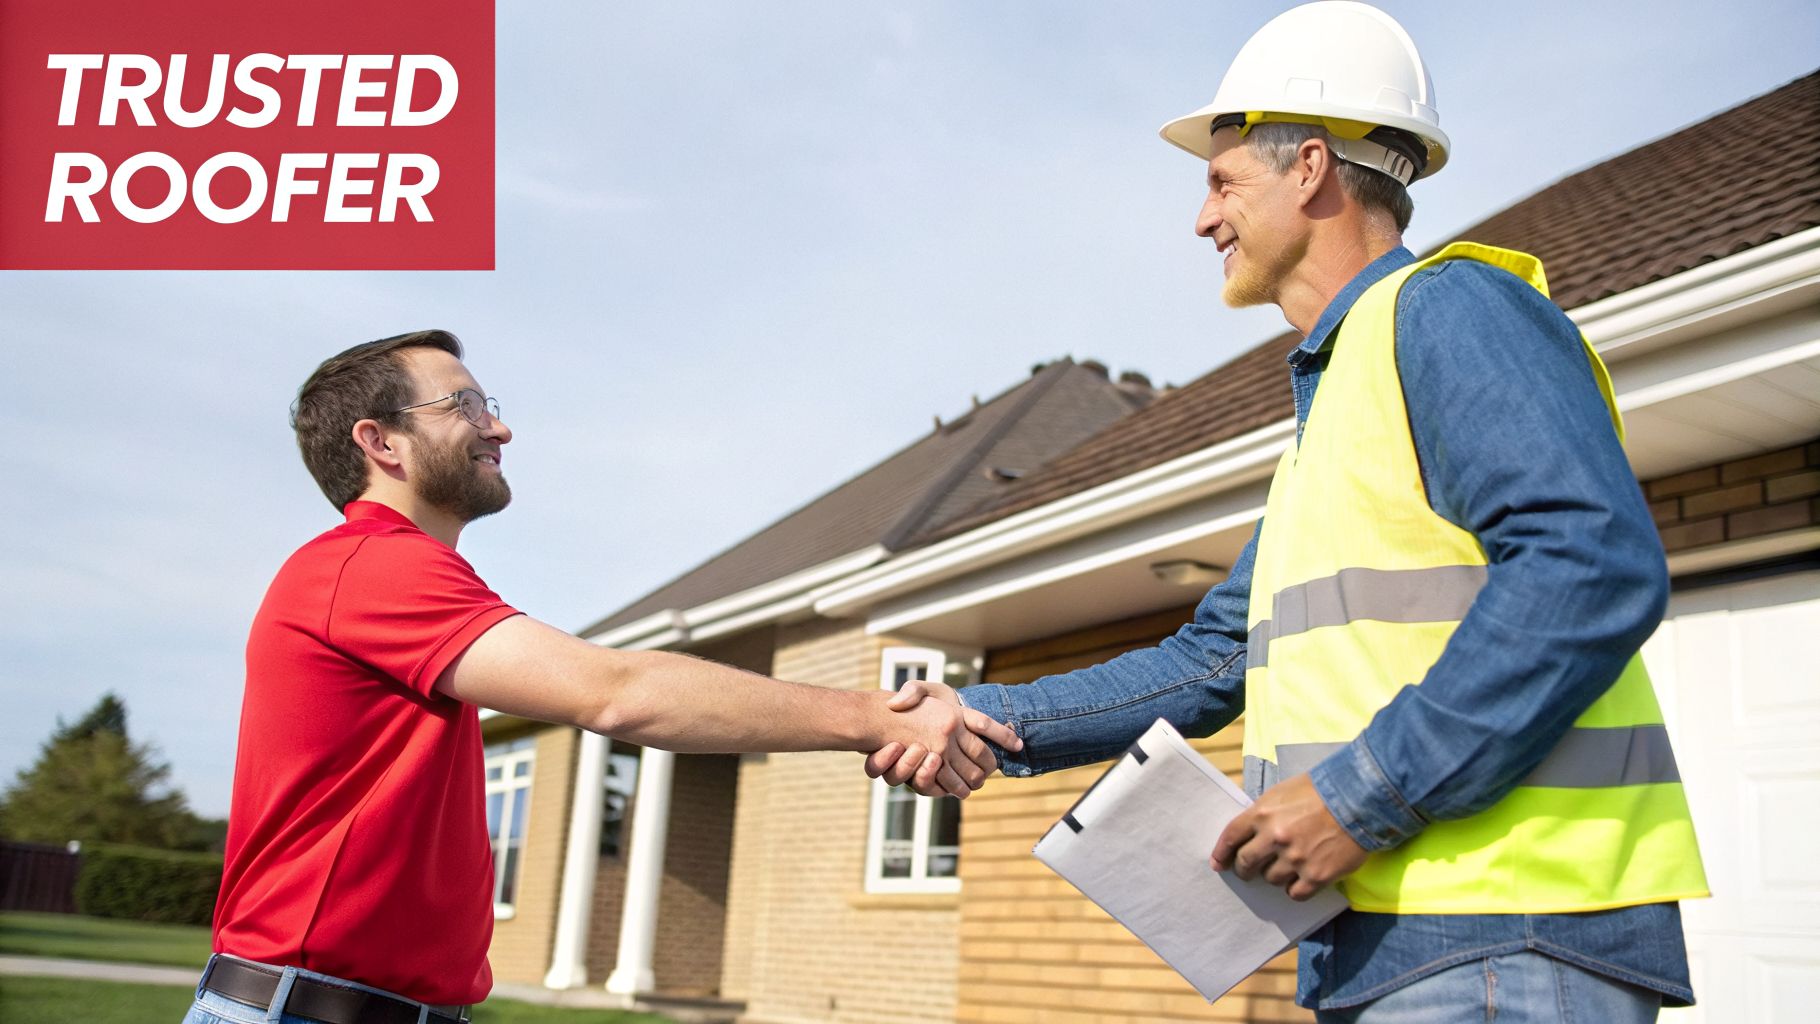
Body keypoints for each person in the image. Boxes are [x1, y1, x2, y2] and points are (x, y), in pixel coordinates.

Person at [870, 3, 1707, 1020]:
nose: (1200, 218)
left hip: (1498, 936)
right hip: (1391, 948)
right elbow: (1210, 661)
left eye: (1221, 181)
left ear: (1308, 168)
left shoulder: (1447, 312)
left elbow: (1590, 564)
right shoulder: (1334, 416)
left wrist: (1362, 796)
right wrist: (987, 716)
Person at [183, 330, 1020, 1024]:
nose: (498, 429)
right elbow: (618, 693)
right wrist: (880, 716)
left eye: (491, 407)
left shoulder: (396, 577)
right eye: (464, 406)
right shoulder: (368, 566)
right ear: (380, 441)